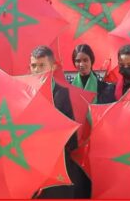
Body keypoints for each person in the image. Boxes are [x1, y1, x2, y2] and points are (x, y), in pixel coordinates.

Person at [29, 45, 89, 198]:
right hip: (31, 166)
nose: (37, 70)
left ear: (53, 67)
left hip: (57, 167)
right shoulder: (24, 94)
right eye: (34, 65)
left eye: (42, 65)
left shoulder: (63, 95)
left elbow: (72, 137)